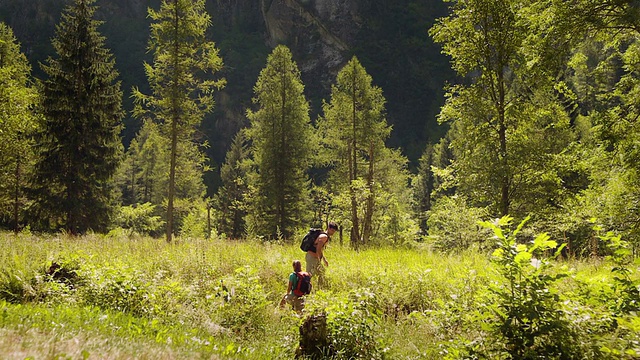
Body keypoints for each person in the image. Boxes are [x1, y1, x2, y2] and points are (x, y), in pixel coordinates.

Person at [305, 221, 338, 287]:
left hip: (314, 258)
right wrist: (319, 259)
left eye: (334, 231)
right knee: (309, 276)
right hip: (312, 258)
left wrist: (324, 259)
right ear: (328, 228)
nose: (333, 232)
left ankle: (321, 288)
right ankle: (304, 289)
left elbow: (320, 250)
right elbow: (318, 248)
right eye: (332, 230)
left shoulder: (324, 236)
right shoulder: (324, 237)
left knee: (321, 273)